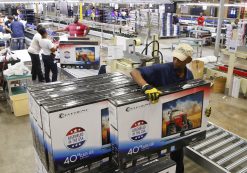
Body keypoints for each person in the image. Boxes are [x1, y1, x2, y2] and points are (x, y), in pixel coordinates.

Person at [130, 43, 194, 173]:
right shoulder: (162, 69)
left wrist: (205, 110)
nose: (175, 62)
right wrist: (146, 86)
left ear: (188, 61)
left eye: (179, 60)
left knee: (178, 150)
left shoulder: (190, 76)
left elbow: (193, 95)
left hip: (176, 113)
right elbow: (134, 72)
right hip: (156, 115)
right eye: (174, 58)